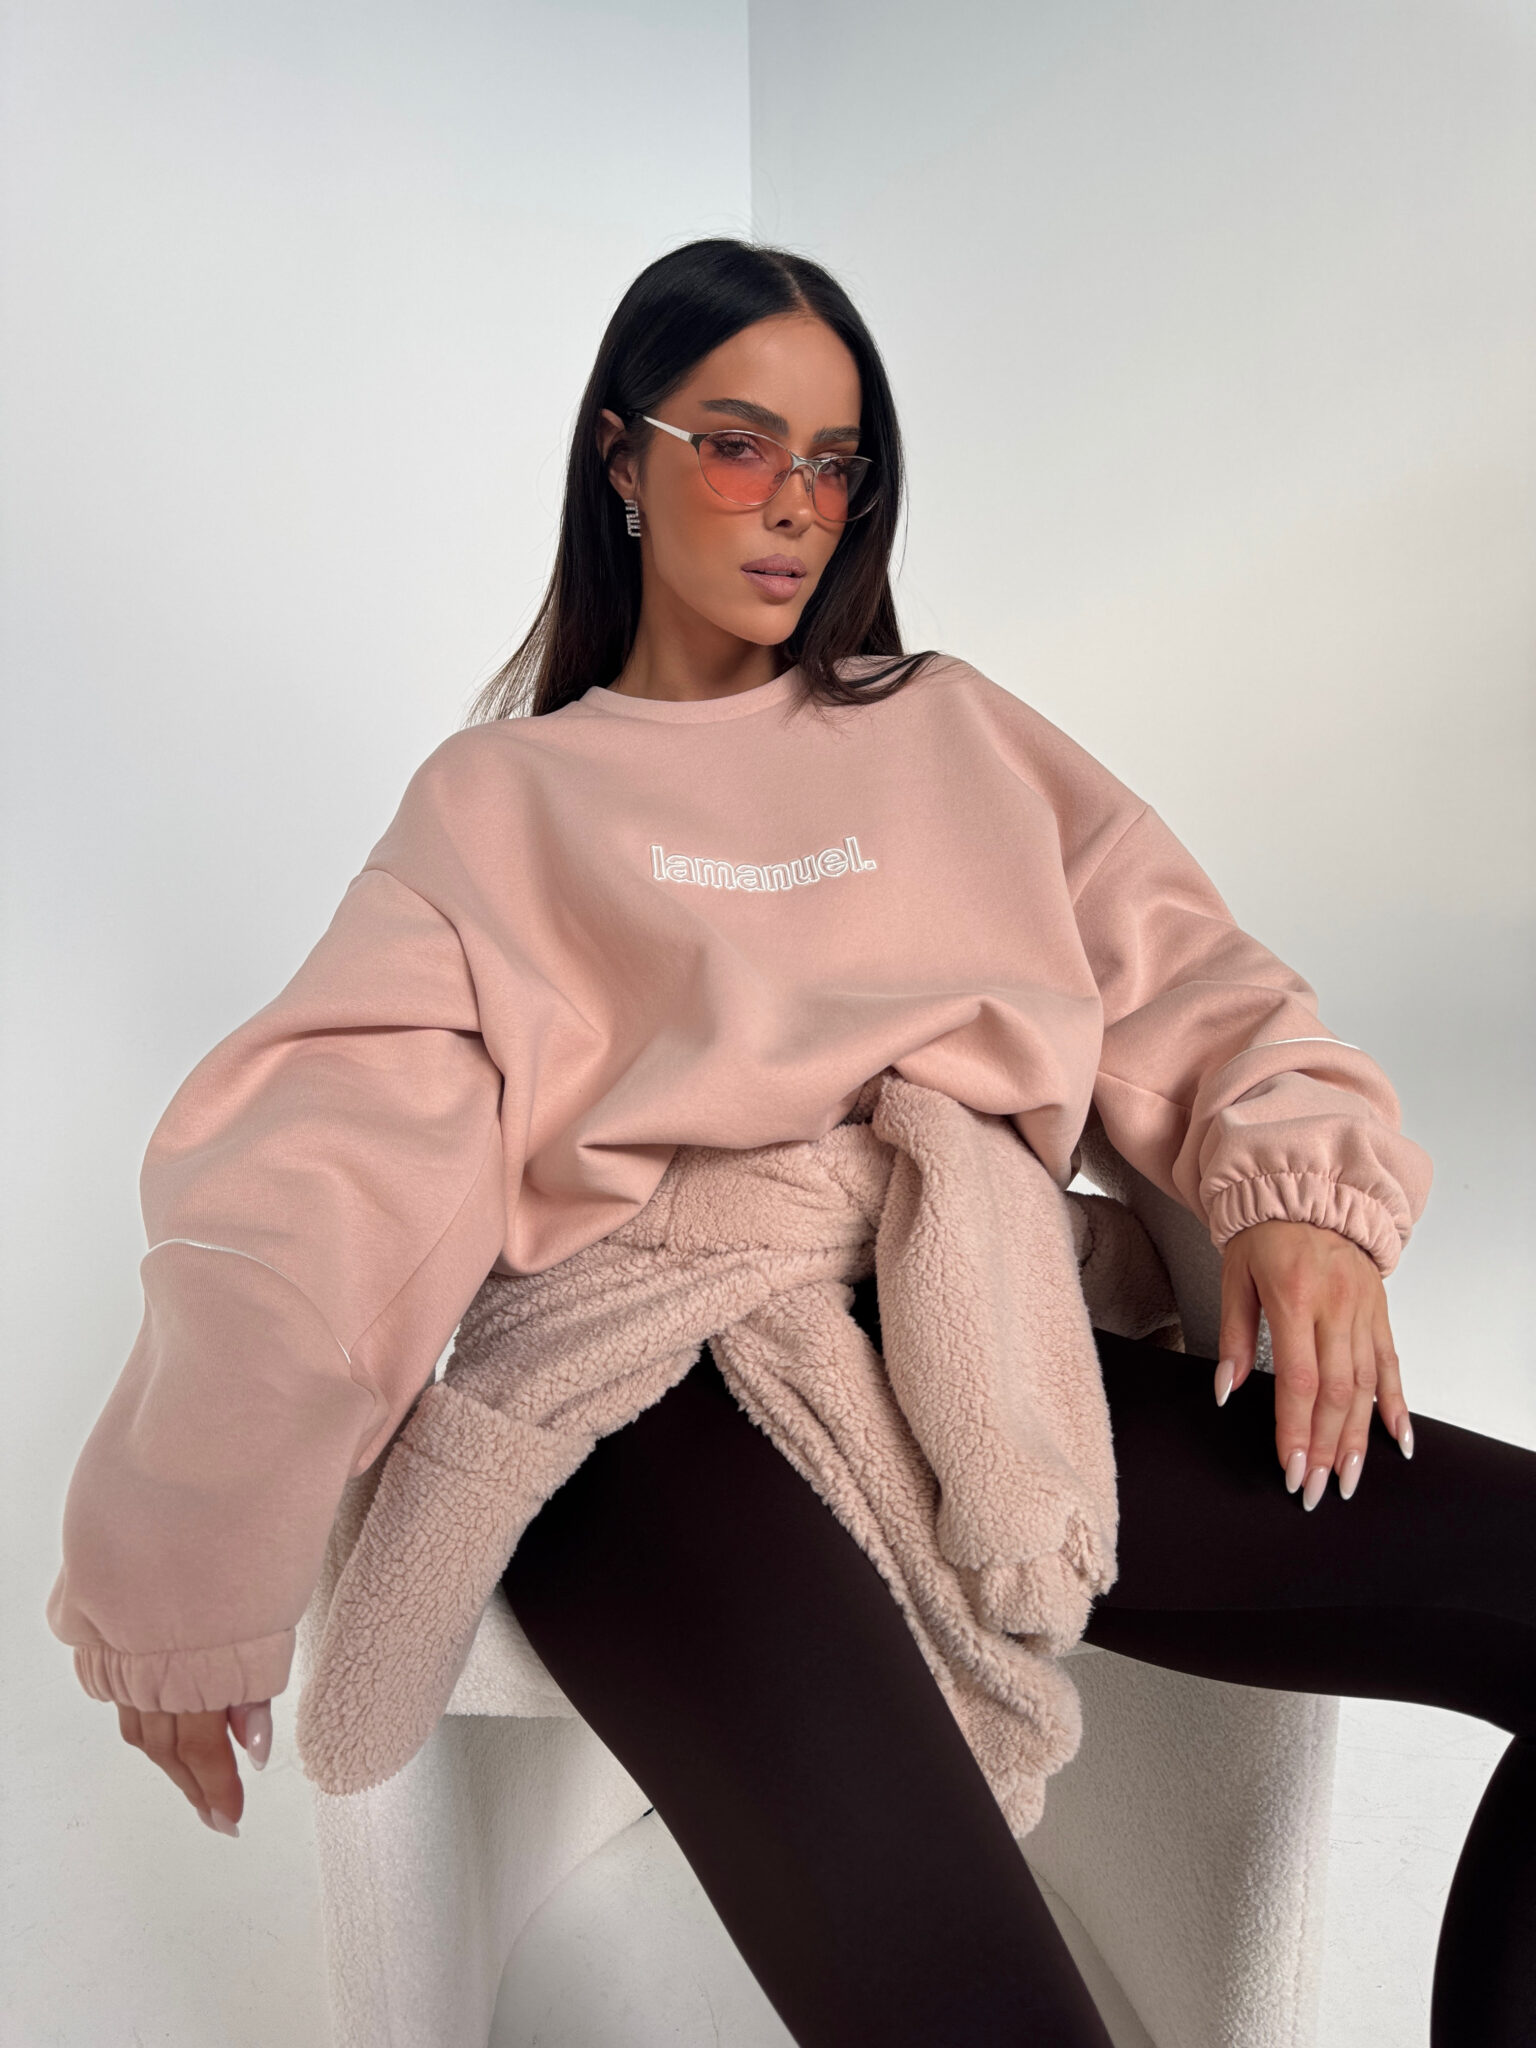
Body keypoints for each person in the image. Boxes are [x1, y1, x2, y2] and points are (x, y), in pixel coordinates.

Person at [46, 238, 1533, 2046]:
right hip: (639, 1403)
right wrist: (184, 1568)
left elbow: (1198, 983)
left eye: (838, 463)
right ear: (621, 455)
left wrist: (1303, 1196)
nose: (798, 507)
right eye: (741, 444)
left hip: (981, 1342)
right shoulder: (497, 806)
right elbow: (321, 1188)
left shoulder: (955, 734)